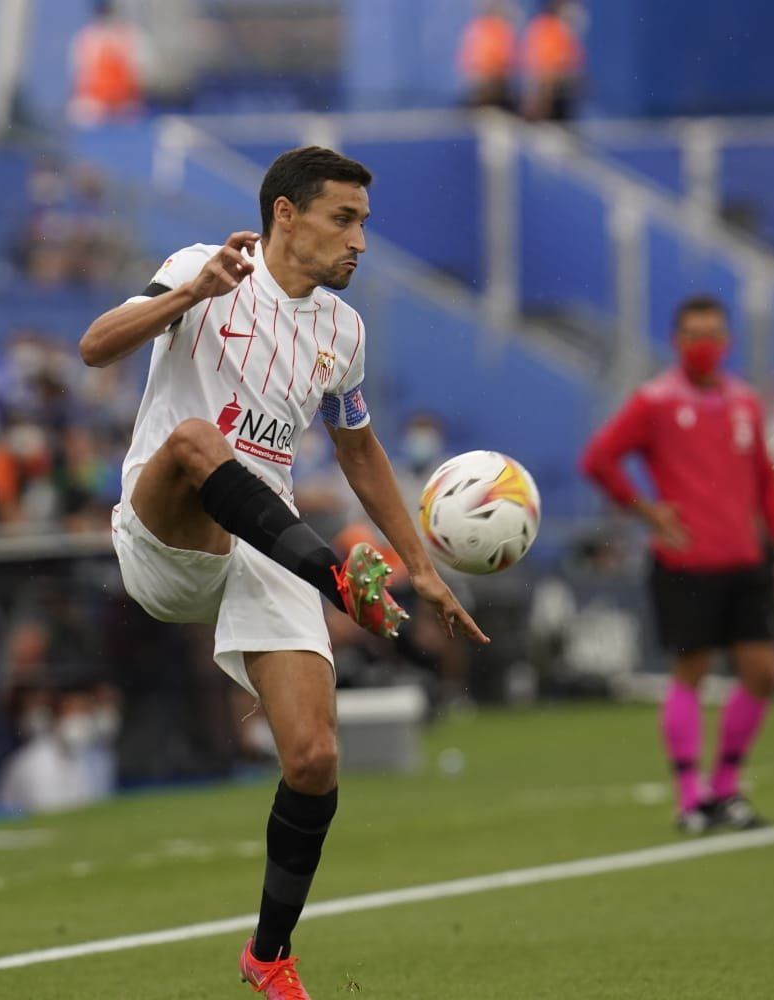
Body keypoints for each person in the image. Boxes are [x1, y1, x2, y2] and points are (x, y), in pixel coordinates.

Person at [79, 145, 486, 997]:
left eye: (365, 223)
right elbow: (94, 346)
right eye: (345, 219)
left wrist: (422, 565)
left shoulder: (343, 331)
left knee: (311, 757)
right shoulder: (200, 267)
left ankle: (269, 954)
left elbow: (360, 448)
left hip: (268, 541)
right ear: (286, 216)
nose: (360, 242)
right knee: (198, 441)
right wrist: (191, 297)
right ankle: (340, 580)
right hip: (168, 534)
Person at [580, 294, 774, 835]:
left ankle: (726, 788)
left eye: (714, 335)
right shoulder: (655, 401)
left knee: (762, 673)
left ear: (726, 342)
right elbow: (599, 459)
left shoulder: (745, 402)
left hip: (743, 559)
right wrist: (646, 511)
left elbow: (765, 483)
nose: (705, 346)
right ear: (678, 342)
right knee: (692, 672)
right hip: (686, 560)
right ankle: (689, 797)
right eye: (695, 335)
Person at [457, 0, 517, 111]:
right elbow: (468, 66)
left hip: (498, 93)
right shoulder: (475, 30)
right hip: (479, 95)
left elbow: (505, 66)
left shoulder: (502, 30)